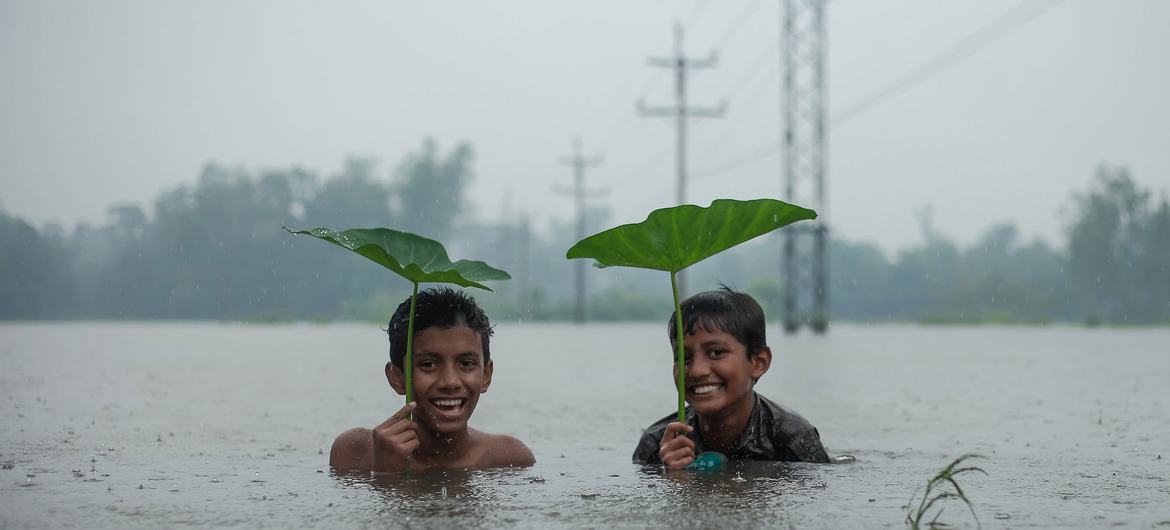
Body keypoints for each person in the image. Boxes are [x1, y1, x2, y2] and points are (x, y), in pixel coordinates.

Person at [330, 287, 534, 472]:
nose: (450, 382)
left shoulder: (509, 459)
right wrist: (386, 473)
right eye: (428, 364)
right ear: (397, 377)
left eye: (466, 363)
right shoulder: (354, 453)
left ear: (486, 375)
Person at [632, 287, 830, 468]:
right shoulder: (656, 444)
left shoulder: (793, 438)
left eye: (716, 352)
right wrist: (672, 477)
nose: (697, 371)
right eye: (683, 357)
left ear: (758, 362)